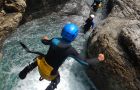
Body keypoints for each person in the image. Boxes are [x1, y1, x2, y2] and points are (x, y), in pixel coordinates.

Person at [19, 23, 105, 90]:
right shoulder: (70, 50)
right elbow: (84, 62)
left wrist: (44, 39)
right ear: (74, 37)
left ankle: (24, 72)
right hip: (49, 74)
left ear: (62, 32)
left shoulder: (54, 40)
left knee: (39, 58)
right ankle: (51, 87)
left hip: (40, 65)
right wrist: (98, 59)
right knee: (57, 80)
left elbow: (44, 41)